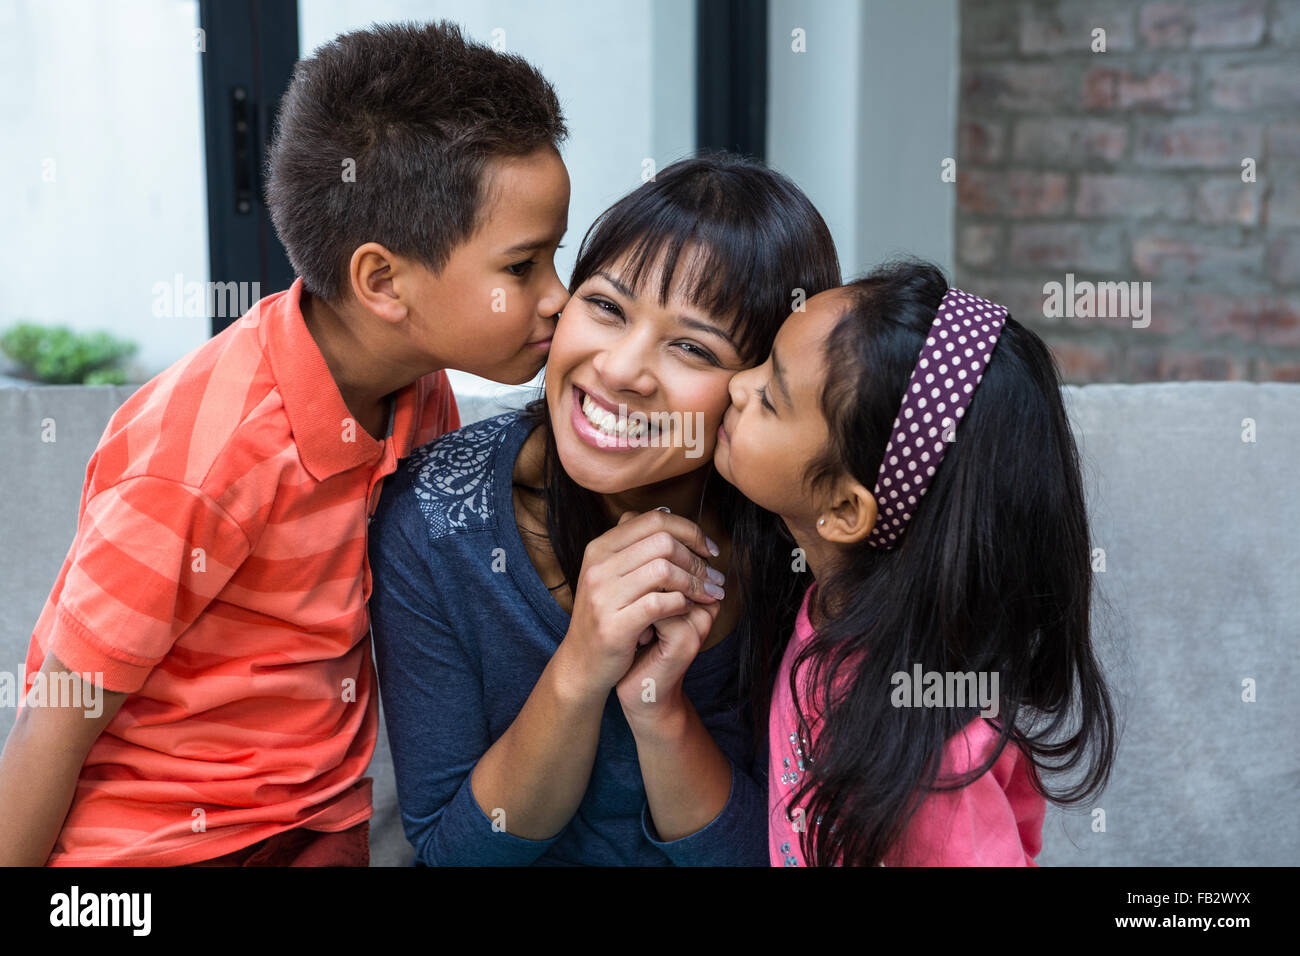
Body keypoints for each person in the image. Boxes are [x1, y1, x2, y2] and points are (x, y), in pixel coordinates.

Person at [0, 20, 570, 866]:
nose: (560, 298)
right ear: (384, 282)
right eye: (524, 268)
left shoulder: (421, 390)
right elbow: (60, 709)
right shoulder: (205, 454)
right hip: (156, 852)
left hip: (317, 830)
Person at [368, 153, 841, 865]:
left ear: (759, 387)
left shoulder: (803, 543)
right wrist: (581, 665)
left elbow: (798, 854)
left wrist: (661, 713)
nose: (619, 370)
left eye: (690, 346)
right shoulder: (435, 521)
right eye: (607, 307)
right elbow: (453, 852)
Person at [714, 260, 1117, 866]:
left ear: (846, 509)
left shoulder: (935, 763)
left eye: (770, 397)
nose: (736, 385)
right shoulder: (827, 597)